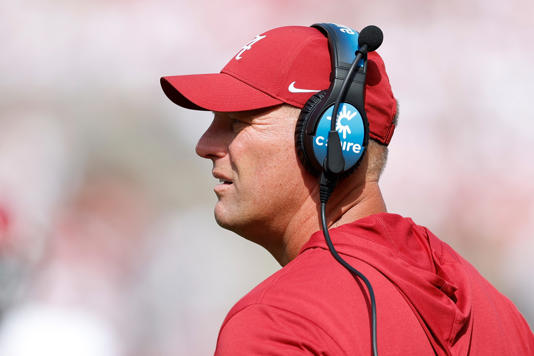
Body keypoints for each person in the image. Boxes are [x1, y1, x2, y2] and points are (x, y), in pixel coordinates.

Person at [160, 24, 534, 355]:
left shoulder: (277, 323)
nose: (205, 144)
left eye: (237, 123)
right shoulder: (498, 312)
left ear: (329, 138)